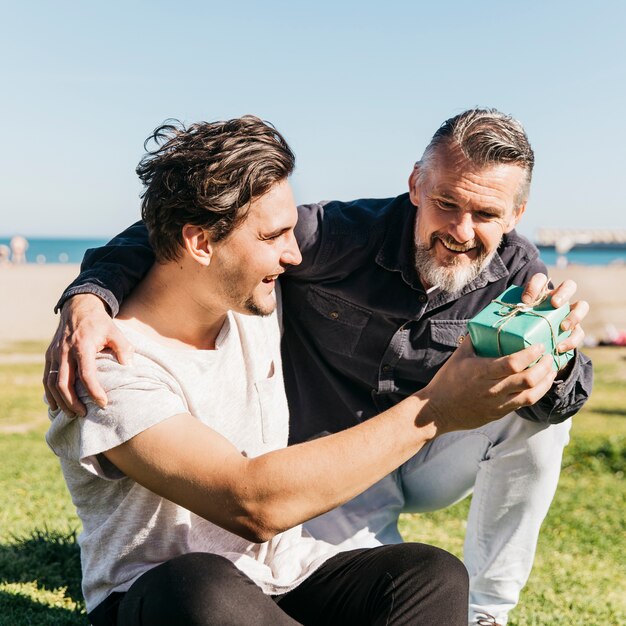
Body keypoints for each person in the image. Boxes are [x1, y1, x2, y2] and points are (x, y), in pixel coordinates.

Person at [45, 109, 592, 626]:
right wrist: (89, 296)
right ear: (416, 187)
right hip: (192, 572)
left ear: (515, 215)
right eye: (273, 237)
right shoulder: (106, 365)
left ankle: (486, 611)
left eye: (487, 214)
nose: (295, 256)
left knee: (433, 574)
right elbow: (251, 504)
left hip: (296, 559)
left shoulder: (257, 302)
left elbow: (190, 234)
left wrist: (555, 354)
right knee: (200, 588)